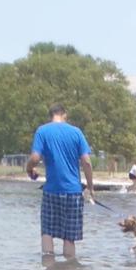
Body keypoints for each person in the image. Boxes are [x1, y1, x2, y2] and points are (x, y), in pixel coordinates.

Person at [27, 104, 94, 258]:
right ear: (64, 115)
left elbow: (35, 158)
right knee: (69, 238)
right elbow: (87, 162)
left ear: (51, 115)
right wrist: (90, 187)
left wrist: (28, 169)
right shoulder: (76, 132)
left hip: (51, 191)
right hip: (73, 192)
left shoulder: (42, 131)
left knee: (47, 233)